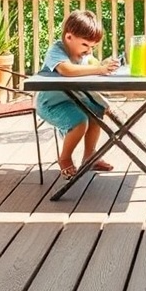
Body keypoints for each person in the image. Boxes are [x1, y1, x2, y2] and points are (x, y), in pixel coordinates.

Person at [36, 10, 121, 179]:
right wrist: (99, 69)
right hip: (51, 104)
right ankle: (65, 158)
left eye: (92, 47)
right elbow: (67, 70)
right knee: (80, 121)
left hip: (74, 100)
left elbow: (94, 65)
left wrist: (104, 65)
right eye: (85, 45)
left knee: (96, 111)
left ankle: (90, 156)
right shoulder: (58, 50)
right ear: (69, 38)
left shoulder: (84, 53)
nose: (89, 51)